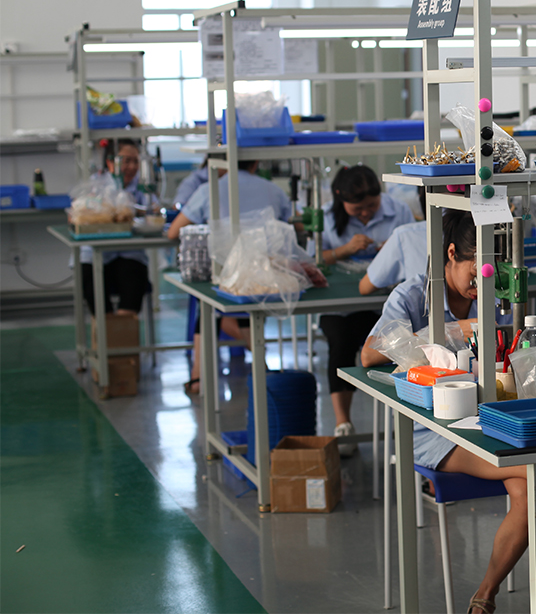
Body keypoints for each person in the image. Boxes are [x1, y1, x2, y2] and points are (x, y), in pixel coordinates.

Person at [361, 210, 536, 614]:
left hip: (487, 417)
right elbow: (369, 355)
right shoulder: (413, 295)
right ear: (451, 253)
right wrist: (452, 330)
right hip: (434, 428)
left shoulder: (492, 295)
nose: (480, 287)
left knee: (533, 486)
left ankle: (485, 596)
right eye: (475, 274)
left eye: (488, 278)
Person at [167, 160, 294, 394]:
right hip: (267, 276)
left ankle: (198, 377)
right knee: (247, 311)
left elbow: (174, 231)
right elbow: (292, 226)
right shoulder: (274, 190)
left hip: (224, 274)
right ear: (256, 163)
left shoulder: (208, 190)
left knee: (208, 309)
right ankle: (261, 363)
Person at [316, 165, 413, 456]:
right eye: (357, 209)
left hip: (384, 305)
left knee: (404, 348)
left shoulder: (399, 211)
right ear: (340, 199)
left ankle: (406, 424)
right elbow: (313, 259)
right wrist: (343, 250)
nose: (366, 213)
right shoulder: (326, 217)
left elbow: (410, 251)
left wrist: (390, 252)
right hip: (341, 308)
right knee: (341, 342)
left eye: (372, 206)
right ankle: (343, 423)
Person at [77, 139, 149, 317]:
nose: (132, 167)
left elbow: (152, 211)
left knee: (133, 275)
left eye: (136, 161)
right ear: (110, 162)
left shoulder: (143, 187)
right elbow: (81, 213)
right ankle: (105, 324)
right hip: (96, 254)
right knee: (89, 278)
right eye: (126, 161)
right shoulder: (95, 185)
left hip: (130, 252)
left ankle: (125, 323)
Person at [358, 186, 427, 295]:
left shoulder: (406, 234)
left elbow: (365, 287)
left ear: (420, 197)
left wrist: (393, 246)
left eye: (371, 205)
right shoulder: (408, 233)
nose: (365, 213)